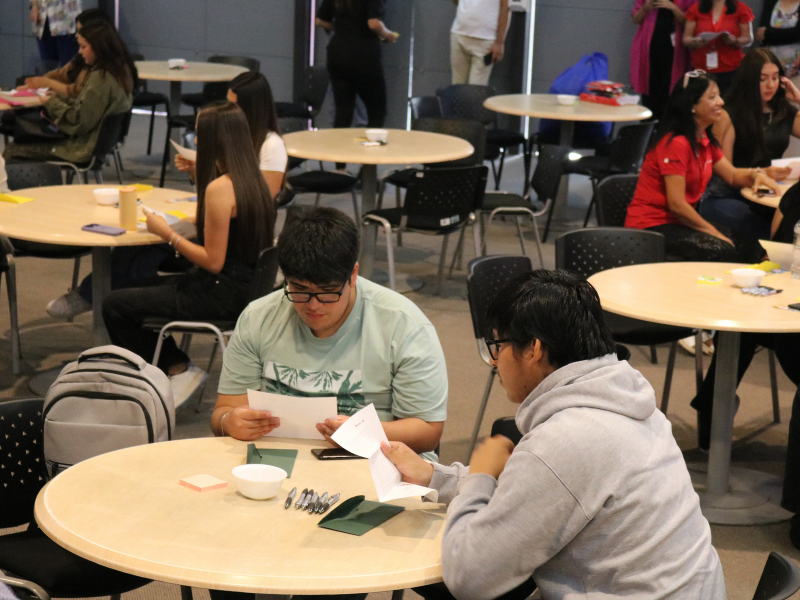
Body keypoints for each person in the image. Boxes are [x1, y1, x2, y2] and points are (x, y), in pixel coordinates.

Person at [380, 269, 726, 600]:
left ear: (533, 349)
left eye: (496, 346)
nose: (494, 361)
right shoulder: (628, 400)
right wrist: (433, 476)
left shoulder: (566, 440)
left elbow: (469, 579)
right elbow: (536, 489)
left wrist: (481, 475)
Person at [211, 206, 447, 462]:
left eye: (328, 292)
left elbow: (428, 432)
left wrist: (362, 433)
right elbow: (224, 412)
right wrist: (229, 422)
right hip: (278, 460)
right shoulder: (258, 317)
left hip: (375, 458)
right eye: (299, 290)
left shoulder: (403, 325)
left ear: (353, 275)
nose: (313, 305)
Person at [102, 102, 276, 401]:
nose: (195, 141)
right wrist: (199, 175)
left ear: (215, 139)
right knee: (131, 291)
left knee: (115, 303)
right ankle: (175, 363)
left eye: (199, 134)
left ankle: (171, 371)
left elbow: (213, 261)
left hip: (219, 293)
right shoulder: (255, 179)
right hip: (247, 289)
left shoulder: (221, 189)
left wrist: (166, 233)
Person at [691, 183, 800, 547]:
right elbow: (780, 252)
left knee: (739, 328)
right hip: (785, 310)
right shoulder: (795, 193)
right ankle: (713, 407)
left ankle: (711, 406)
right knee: (737, 326)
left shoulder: (795, 194)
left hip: (788, 324)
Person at [625, 70, 780, 263]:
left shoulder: (704, 139)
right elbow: (677, 205)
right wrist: (713, 232)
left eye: (719, 96)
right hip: (651, 227)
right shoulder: (676, 143)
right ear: (692, 105)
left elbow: (731, 175)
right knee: (723, 249)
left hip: (679, 223)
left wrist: (756, 174)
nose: (721, 102)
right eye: (712, 97)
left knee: (751, 246)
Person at [700, 48, 800, 244]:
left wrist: (799, 99)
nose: (770, 85)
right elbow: (725, 173)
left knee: (789, 220)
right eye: (762, 79)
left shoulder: (782, 110)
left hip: (766, 191)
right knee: (772, 231)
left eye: (775, 78)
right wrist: (761, 173)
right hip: (727, 196)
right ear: (749, 80)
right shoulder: (729, 114)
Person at [2, 19, 133, 165]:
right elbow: (86, 105)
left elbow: (77, 121)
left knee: (12, 149)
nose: (79, 52)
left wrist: (50, 102)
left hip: (78, 149)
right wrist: (57, 98)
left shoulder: (100, 79)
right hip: (91, 145)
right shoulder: (119, 72)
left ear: (98, 48)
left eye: (83, 47)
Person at [175, 71, 287, 198]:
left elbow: (265, 198)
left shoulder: (271, 145)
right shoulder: (228, 132)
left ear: (252, 108)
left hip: (244, 215)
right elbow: (213, 187)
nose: (229, 110)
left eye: (235, 105)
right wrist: (196, 170)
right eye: (228, 103)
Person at [315, 0, 397, 133]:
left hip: (337, 54)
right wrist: (387, 35)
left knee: (343, 112)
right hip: (363, 55)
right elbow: (374, 24)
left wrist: (343, 27)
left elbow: (319, 21)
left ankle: (337, 150)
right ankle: (371, 149)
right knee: (377, 110)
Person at [17, 8, 117, 98]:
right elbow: (64, 73)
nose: (77, 36)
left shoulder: (105, 71)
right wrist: (39, 83)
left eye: (80, 31)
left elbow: (80, 93)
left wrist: (49, 85)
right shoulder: (84, 58)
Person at [631, 0, 694, 121]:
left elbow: (691, 23)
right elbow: (635, 19)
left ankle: (666, 132)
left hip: (675, 52)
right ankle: (647, 130)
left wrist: (673, 8)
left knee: (671, 92)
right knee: (649, 90)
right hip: (650, 50)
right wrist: (645, 8)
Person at [757, 0, 800, 157]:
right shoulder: (770, 2)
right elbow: (760, 34)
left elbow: (797, 32)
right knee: (772, 114)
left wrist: (770, 33)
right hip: (772, 66)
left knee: (790, 115)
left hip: (796, 71)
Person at [683, 0, 754, 95]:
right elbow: (686, 38)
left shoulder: (740, 8)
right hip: (701, 68)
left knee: (729, 104)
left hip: (731, 68)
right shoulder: (696, 8)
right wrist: (695, 41)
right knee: (701, 104)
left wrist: (735, 41)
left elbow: (748, 38)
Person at [449, 0, 509, 86]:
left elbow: (504, 8)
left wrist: (499, 43)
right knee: (457, 87)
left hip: (485, 41)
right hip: (459, 35)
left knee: (477, 91)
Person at [31, 0, 81, 68]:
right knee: (47, 68)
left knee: (69, 68)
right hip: (42, 19)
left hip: (66, 21)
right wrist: (34, 6)